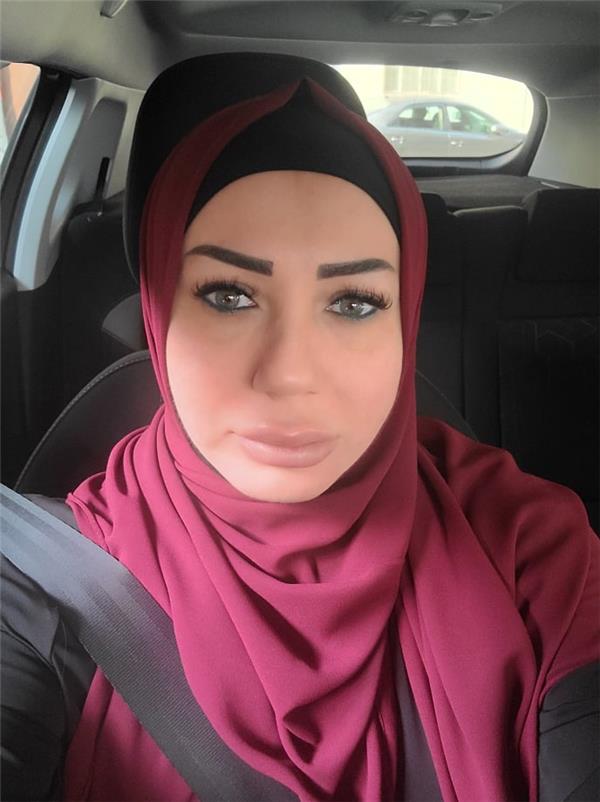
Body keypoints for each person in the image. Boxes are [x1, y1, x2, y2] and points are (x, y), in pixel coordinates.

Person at [1, 52, 599, 802]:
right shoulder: (47, 583)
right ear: (158, 312)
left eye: (354, 303)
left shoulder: (530, 549)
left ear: (406, 319)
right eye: (228, 295)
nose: (289, 376)